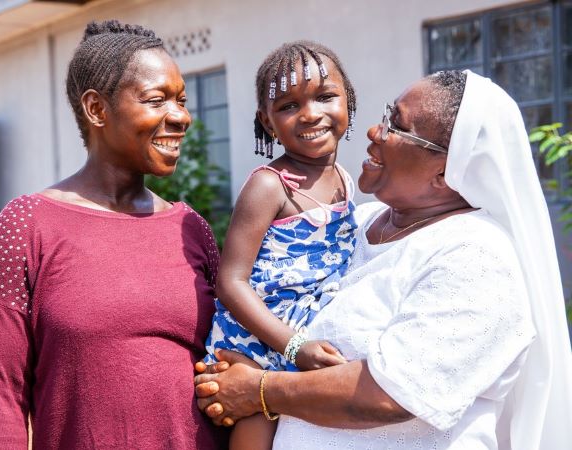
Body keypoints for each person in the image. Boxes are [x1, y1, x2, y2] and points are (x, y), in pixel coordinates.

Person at [194, 70, 572, 449]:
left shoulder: (474, 256)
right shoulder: (354, 221)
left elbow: (389, 394)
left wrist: (260, 389)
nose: (376, 131)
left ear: (445, 172)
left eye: (397, 125)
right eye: (387, 113)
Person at [0, 20, 226, 449]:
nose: (181, 117)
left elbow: (225, 364)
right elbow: (0, 401)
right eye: (157, 100)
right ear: (96, 109)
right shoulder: (25, 227)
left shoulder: (192, 229)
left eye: (181, 101)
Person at [201, 41, 357, 450]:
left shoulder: (345, 178)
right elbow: (231, 281)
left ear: (349, 101)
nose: (310, 114)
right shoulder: (268, 185)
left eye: (325, 97)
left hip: (304, 331)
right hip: (258, 337)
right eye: (288, 106)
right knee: (260, 416)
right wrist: (293, 344)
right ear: (267, 122)